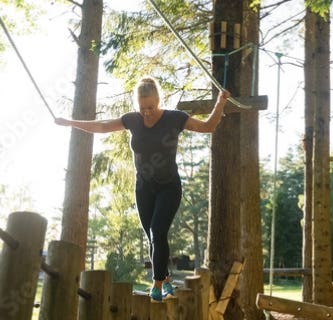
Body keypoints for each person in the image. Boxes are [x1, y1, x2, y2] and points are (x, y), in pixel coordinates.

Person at [56, 77, 230, 301]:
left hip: (169, 187)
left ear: (158, 100)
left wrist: (220, 102)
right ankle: (166, 280)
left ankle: (156, 285)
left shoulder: (175, 118)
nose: (146, 112)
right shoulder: (133, 120)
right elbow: (101, 126)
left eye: (151, 107)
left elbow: (208, 127)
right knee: (152, 237)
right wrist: (70, 123)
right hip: (144, 188)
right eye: (142, 107)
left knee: (158, 230)